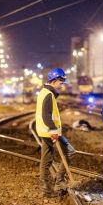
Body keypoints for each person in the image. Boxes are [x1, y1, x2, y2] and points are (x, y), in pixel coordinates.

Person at [35, 67, 76, 197]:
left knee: (46, 159)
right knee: (69, 151)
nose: (62, 85)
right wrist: (53, 130)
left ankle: (50, 186)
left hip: (48, 131)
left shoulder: (46, 92)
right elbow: (46, 115)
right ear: (54, 80)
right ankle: (57, 182)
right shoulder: (48, 94)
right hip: (50, 131)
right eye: (61, 82)